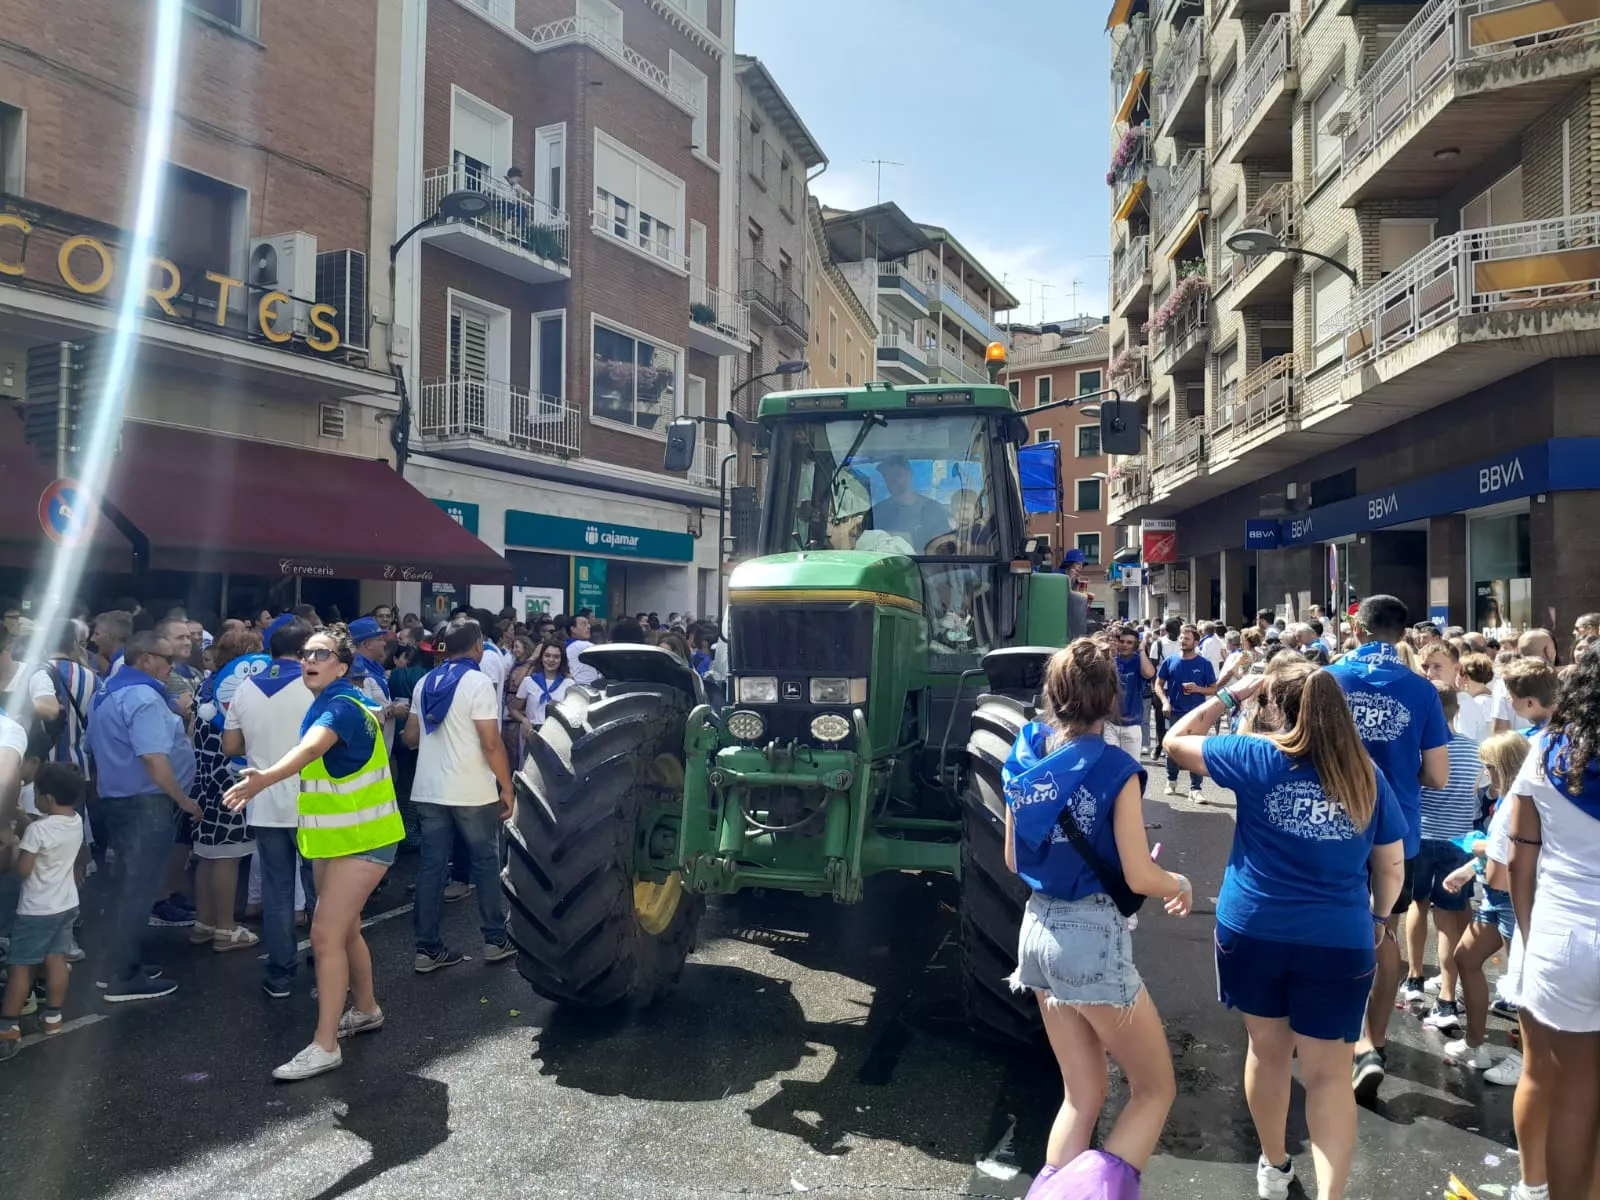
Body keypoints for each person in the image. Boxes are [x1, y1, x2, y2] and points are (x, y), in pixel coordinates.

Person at [1164, 656, 1406, 1200]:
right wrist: (1381, 920)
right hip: (1339, 937)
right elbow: (1391, 868)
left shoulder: (1255, 755)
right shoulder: (1366, 773)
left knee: (1267, 1053)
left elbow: (1176, 740)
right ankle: (1331, 1194)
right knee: (1328, 1073)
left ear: (1274, 707)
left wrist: (1232, 696)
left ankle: (1275, 1167)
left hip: (1254, 928)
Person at [1003, 638, 1191, 1189]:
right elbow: (1138, 875)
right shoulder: (1117, 768)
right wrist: (1176, 882)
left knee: (1080, 1096)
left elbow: (1015, 857)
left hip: (1035, 930)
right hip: (1090, 939)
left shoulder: (1027, 754)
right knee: (1155, 1090)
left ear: (1051, 696)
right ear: (1112, 700)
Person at [223, 625, 404, 1081]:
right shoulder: (334, 701)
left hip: (364, 840)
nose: (310, 659)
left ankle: (325, 1045)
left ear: (341, 667)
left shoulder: (341, 707)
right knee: (344, 932)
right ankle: (365, 1010)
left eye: (321, 654)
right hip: (341, 840)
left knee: (324, 936)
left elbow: (311, 748)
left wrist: (263, 778)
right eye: (307, 653)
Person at [1324, 594, 1450, 1102]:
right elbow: (1439, 775)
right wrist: (1398, 779)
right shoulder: (1422, 691)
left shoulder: (1327, 678)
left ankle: (1324, 1035)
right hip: (1397, 830)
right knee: (1384, 932)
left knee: (1327, 928)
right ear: (1404, 635)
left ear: (1357, 626)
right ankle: (1371, 1044)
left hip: (1331, 822)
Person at [1504, 649, 1600, 1200]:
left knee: (1573, 1096)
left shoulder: (1544, 754)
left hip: (1561, 934)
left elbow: (1522, 859)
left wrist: (1530, 933)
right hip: (1561, 928)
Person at [85, 629, 201, 1002]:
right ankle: (125, 975)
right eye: (168, 660)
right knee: (139, 891)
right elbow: (154, 758)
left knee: (124, 888)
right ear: (146, 659)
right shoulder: (143, 697)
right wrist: (183, 799)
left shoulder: (109, 690)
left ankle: (117, 964)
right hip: (146, 803)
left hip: (120, 800)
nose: (173, 666)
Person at [400, 616, 516, 972]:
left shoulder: (425, 682)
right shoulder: (478, 682)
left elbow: (410, 738)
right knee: (485, 863)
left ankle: (427, 948)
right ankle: (495, 940)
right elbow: (490, 742)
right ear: (478, 644)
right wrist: (507, 786)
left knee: (432, 866)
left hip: (429, 788)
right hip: (471, 789)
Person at [222, 616, 315, 999]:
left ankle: (280, 972)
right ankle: (325, 962)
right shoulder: (314, 684)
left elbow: (230, 746)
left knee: (277, 891)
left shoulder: (246, 688)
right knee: (317, 888)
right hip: (313, 799)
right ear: (304, 651)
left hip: (263, 800)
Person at [1441, 731, 1531, 1074]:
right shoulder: (1511, 798)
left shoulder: (1520, 800)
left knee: (1523, 983)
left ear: (1503, 766)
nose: (1485, 772)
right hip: (1499, 899)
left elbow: (1502, 865)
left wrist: (1478, 853)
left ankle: (1524, 1060)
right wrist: (1469, 868)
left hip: (1512, 898)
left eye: (1489, 766)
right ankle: (1474, 1044)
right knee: (1466, 958)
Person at [1403, 684, 1483, 1036]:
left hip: (1422, 836)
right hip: (1460, 841)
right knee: (1449, 919)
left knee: (1417, 905)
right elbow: (1479, 798)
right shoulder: (1476, 751)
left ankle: (1415, 976)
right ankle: (1448, 998)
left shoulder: (1419, 754)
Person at [0, 764, 86, 1059]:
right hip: (65, 906)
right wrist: (24, 819)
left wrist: (13, 847)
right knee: (56, 960)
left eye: (35, 793)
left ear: (47, 798)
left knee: (20, 967)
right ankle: (53, 1018)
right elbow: (47, 829)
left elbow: (24, 869)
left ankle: (8, 1028)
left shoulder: (37, 830)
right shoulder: (74, 820)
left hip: (36, 911)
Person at [189, 629, 261, 952]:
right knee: (228, 855)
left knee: (206, 852)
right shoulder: (241, 687)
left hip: (203, 776)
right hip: (228, 776)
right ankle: (225, 928)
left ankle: (204, 922)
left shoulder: (206, 685)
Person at [1153, 624, 1216, 803]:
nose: (1182, 641)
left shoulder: (1204, 664)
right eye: (1181, 638)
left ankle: (1195, 789)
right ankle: (1171, 780)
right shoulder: (1170, 661)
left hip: (1197, 714)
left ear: (1196, 642)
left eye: (1187, 638)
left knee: (1196, 751)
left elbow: (1213, 689)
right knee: (1172, 748)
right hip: (1174, 712)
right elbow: (1158, 684)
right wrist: (1165, 702)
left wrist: (1197, 689)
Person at [27, 621, 98, 775]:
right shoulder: (92, 677)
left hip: (47, 768)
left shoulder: (39, 674)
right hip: (81, 767)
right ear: (74, 643)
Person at [868, 453, 948, 550]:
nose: (892, 480)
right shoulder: (876, 512)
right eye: (886, 476)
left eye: (897, 474)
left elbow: (941, 549)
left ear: (910, 475)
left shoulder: (932, 509)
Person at [1493, 629, 1558, 733]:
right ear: (1549, 651)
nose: (1509, 698)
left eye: (1511, 695)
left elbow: (1500, 729)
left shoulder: (1506, 680)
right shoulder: (1508, 678)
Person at [1107, 625, 1154, 757]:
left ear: (1135, 645)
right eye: (1122, 641)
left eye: (1129, 642)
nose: (1124, 645)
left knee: (1131, 766)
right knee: (1111, 765)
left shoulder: (1139, 661)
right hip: (1110, 723)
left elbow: (1149, 673)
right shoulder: (1111, 661)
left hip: (1132, 724)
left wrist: (1142, 651)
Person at [514, 643, 571, 737]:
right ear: (541, 658)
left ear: (562, 660)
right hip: (532, 732)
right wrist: (524, 720)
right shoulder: (529, 681)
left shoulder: (569, 684)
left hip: (558, 735)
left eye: (556, 657)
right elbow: (514, 709)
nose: (551, 660)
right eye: (547, 656)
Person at [89, 610, 133, 678]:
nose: (92, 639)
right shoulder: (120, 662)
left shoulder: (122, 666)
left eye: (97, 634)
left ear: (112, 636)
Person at [566, 614, 601, 687]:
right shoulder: (579, 645)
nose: (589, 626)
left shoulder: (569, 644)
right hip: (585, 687)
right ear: (573, 629)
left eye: (588, 624)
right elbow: (606, 651)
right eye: (584, 624)